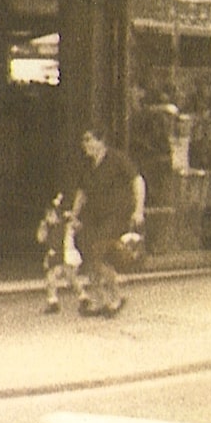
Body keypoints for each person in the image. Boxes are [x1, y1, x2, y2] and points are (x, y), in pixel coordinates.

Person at [72, 129, 145, 318]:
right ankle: (100, 300)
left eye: (89, 140)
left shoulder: (117, 159)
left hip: (115, 215)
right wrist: (74, 215)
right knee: (89, 255)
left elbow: (137, 181)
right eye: (84, 140)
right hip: (93, 216)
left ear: (101, 141)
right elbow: (82, 193)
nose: (85, 144)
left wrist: (139, 209)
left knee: (97, 252)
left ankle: (116, 297)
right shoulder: (87, 165)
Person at [35, 192, 86, 314]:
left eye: (51, 214)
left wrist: (72, 219)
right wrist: (43, 227)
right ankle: (53, 301)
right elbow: (40, 239)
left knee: (71, 278)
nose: (49, 217)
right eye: (47, 215)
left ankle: (83, 297)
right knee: (51, 277)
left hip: (66, 255)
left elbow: (78, 227)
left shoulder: (65, 226)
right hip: (56, 256)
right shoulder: (48, 227)